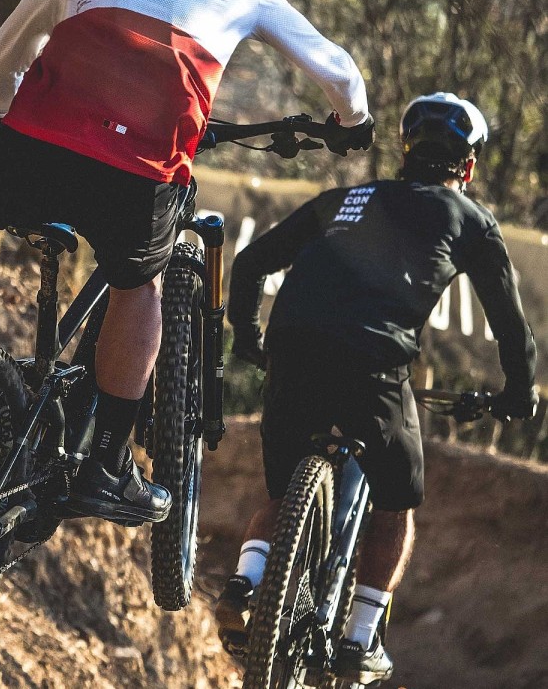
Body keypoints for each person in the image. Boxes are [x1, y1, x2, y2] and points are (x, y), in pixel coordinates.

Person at [0, 0, 374, 527]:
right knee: (136, 283)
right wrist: (351, 122)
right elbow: (337, 71)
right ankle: (108, 468)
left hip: (33, 139)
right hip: (139, 166)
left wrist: (10, 123)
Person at [217, 92, 538, 683]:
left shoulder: (344, 198)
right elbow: (511, 330)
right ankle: (361, 638)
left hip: (291, 351)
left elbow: (249, 264)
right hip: (373, 364)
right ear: (467, 167)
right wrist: (518, 395)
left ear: (405, 151)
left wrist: (246, 339)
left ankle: (246, 581)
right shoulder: (469, 219)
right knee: (396, 503)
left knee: (282, 490)